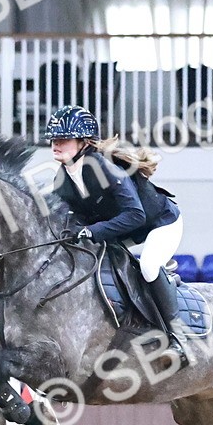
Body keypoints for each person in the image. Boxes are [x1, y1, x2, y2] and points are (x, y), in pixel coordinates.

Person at [44, 105, 188, 365]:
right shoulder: (62, 178)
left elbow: (136, 215)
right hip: (123, 229)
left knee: (148, 266)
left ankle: (177, 337)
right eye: (54, 139)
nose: (56, 144)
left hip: (159, 223)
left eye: (63, 139)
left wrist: (92, 231)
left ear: (83, 142)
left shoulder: (104, 168)